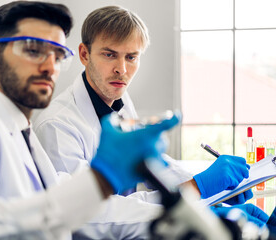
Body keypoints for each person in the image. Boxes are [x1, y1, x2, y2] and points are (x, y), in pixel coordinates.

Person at [0, 2, 181, 239]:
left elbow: (83, 213)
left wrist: (183, 213)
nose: (50, 66)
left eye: (57, 55)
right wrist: (100, 180)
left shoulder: (24, 137)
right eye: (33, 50)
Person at [33, 5, 268, 236]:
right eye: (109, 54)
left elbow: (150, 163)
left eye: (132, 57)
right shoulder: (57, 125)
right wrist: (196, 189)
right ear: (84, 54)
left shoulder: (120, 97)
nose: (122, 69)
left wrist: (213, 191)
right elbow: (91, 214)